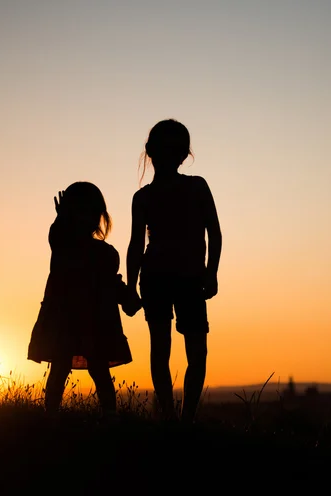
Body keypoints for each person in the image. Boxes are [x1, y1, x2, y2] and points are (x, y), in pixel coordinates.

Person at [126, 119, 222, 423]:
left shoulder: (151, 196)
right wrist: (211, 272)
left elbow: (214, 233)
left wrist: (212, 273)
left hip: (175, 277)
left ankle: (179, 418)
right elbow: (214, 234)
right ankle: (178, 419)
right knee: (186, 350)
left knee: (168, 350)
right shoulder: (184, 189)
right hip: (176, 277)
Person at [28, 181, 140, 419]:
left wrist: (127, 297)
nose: (85, 218)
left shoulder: (104, 254)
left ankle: (107, 415)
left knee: (95, 369)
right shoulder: (64, 247)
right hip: (69, 320)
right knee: (61, 367)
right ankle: (52, 415)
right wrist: (61, 219)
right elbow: (56, 237)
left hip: (93, 322)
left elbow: (111, 283)